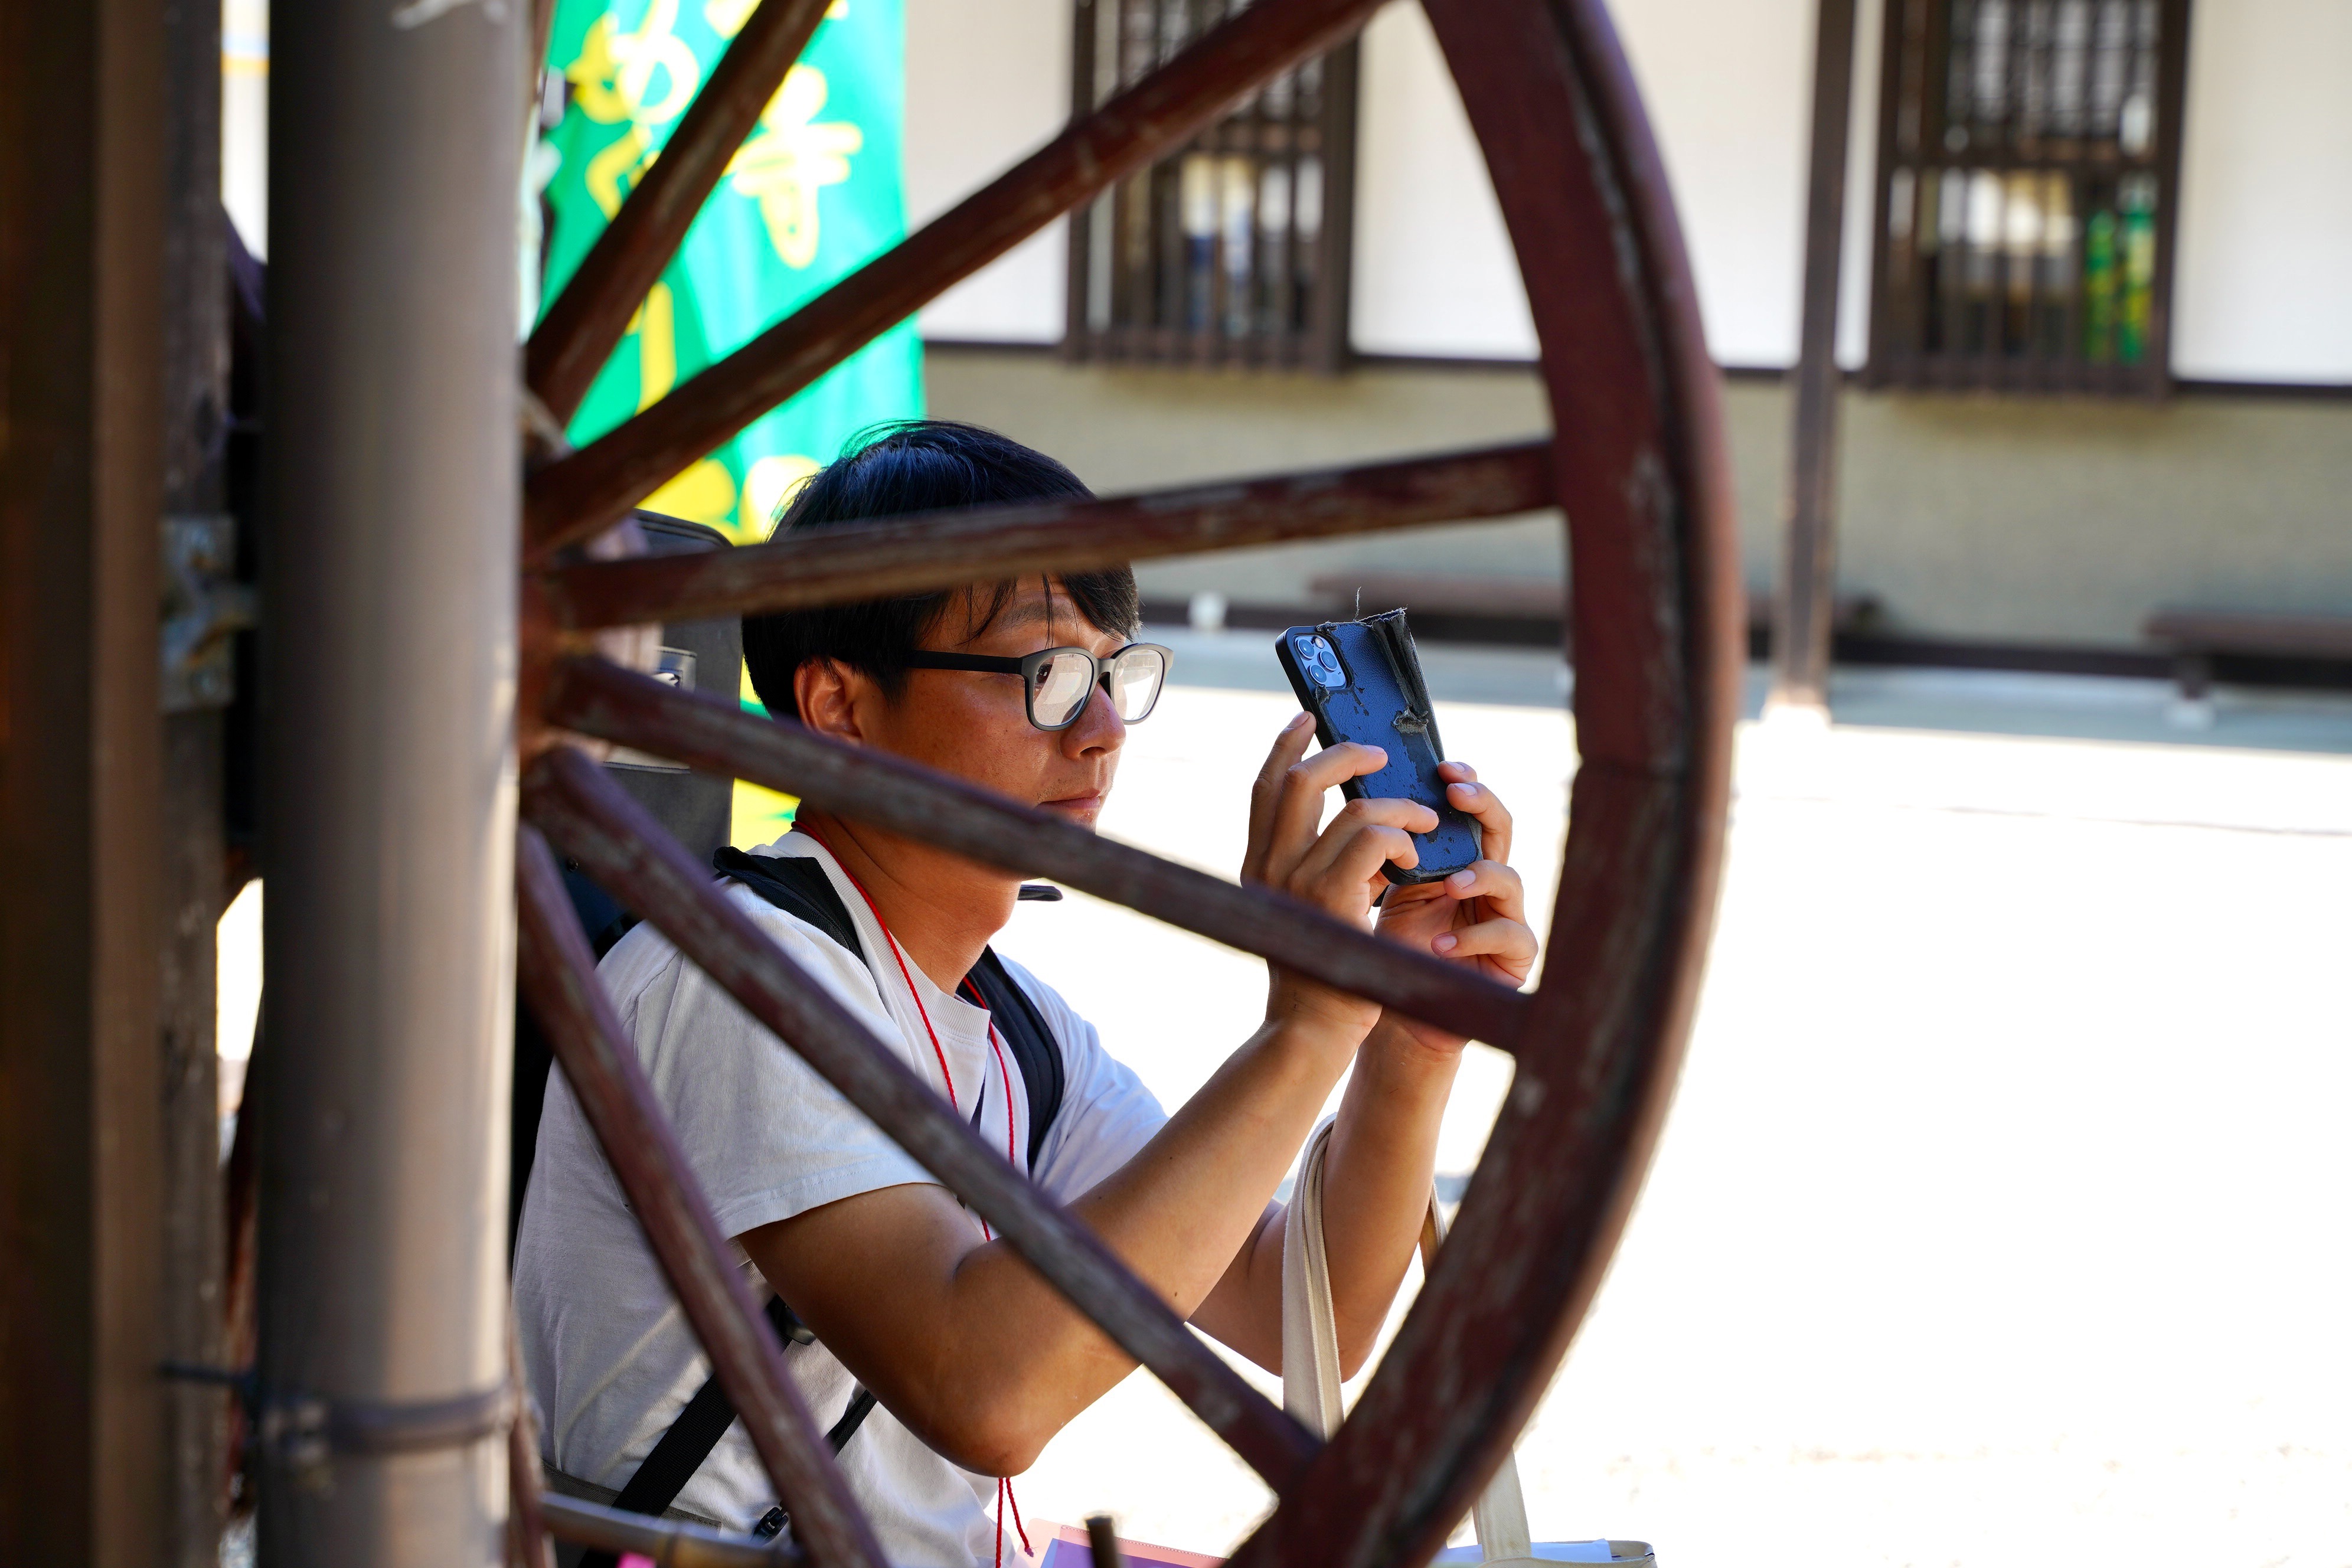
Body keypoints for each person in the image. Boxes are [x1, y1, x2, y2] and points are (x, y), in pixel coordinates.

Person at [514, 421, 1537, 1567]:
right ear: (842, 706)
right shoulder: (739, 978)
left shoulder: (1013, 1026)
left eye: (1114, 672)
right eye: (1046, 676)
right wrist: (1309, 1022)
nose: (1100, 731)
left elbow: (1299, 1304)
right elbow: (986, 1387)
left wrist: (1406, 1035)